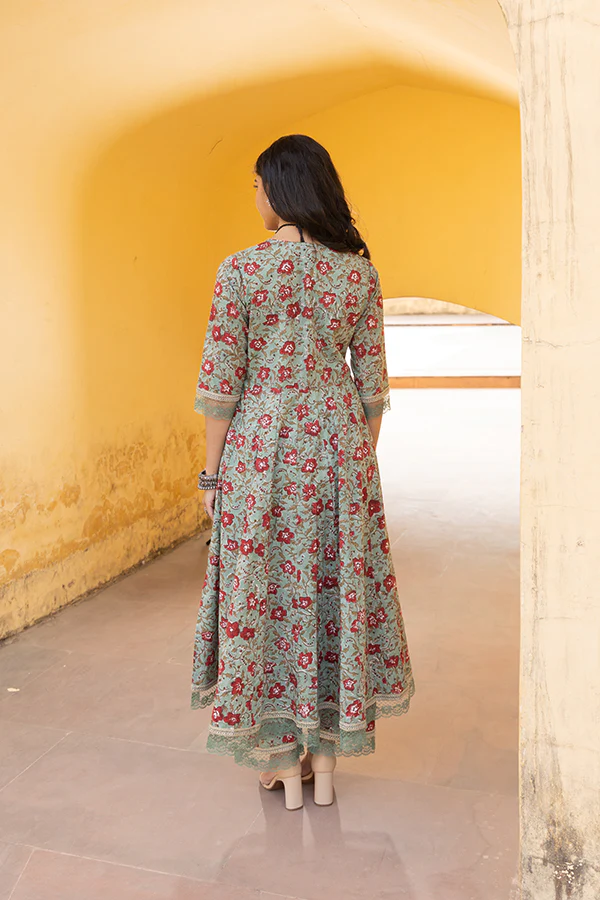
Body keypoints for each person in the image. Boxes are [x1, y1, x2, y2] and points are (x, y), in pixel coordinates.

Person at [191, 134, 415, 810]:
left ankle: (283, 764)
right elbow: (372, 387)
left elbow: (220, 385)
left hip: (261, 459)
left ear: (282, 191)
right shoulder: (359, 274)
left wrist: (210, 477)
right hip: (339, 451)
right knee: (331, 599)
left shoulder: (241, 270)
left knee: (266, 603)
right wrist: (351, 466)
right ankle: (327, 760)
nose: (254, 197)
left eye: (259, 185)